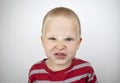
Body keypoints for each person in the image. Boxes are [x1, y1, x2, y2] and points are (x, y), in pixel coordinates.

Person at [28, 7, 98, 83]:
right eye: (52, 38)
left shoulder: (86, 70)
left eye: (68, 39)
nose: (60, 47)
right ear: (43, 42)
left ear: (78, 43)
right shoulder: (35, 72)